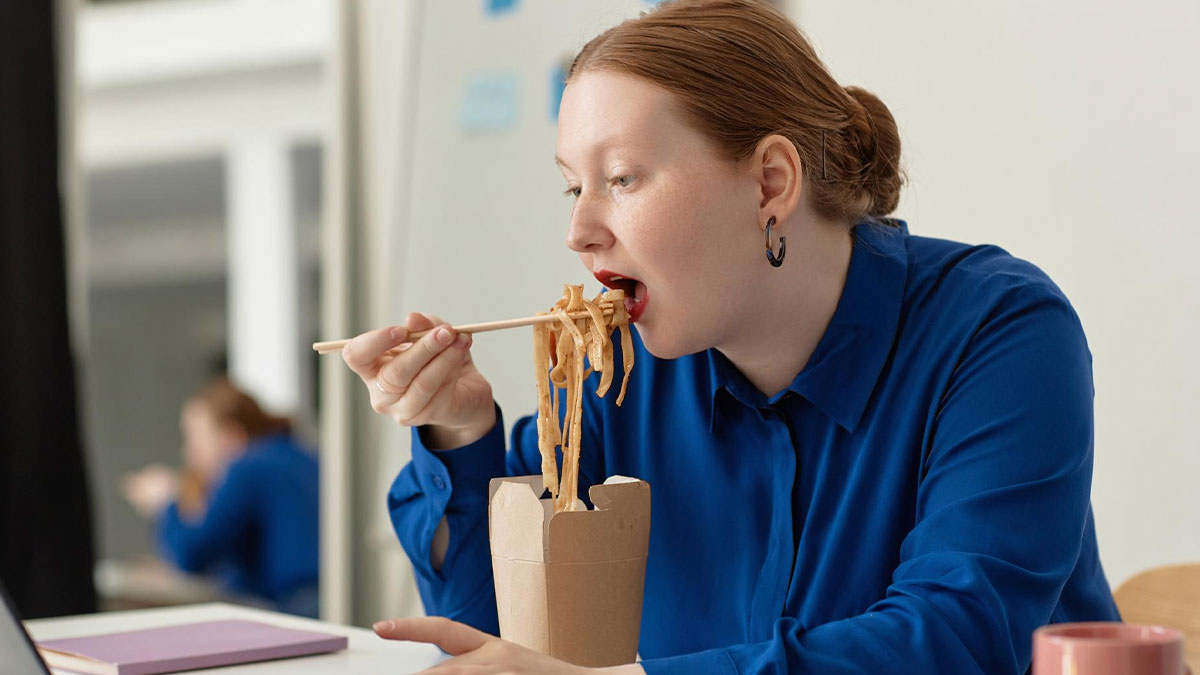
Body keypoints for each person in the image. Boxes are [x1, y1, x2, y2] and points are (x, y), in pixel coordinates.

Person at [343, 0, 1121, 672]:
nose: (579, 232)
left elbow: (957, 640)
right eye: (573, 185)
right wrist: (458, 425)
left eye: (621, 178)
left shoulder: (999, 333)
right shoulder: (613, 366)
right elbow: (500, 635)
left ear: (771, 183)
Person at [123, 377, 320, 618]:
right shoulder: (301, 455)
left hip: (295, 609)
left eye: (195, 439)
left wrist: (166, 502)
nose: (188, 452)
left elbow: (191, 554)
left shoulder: (246, 467)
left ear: (231, 436)